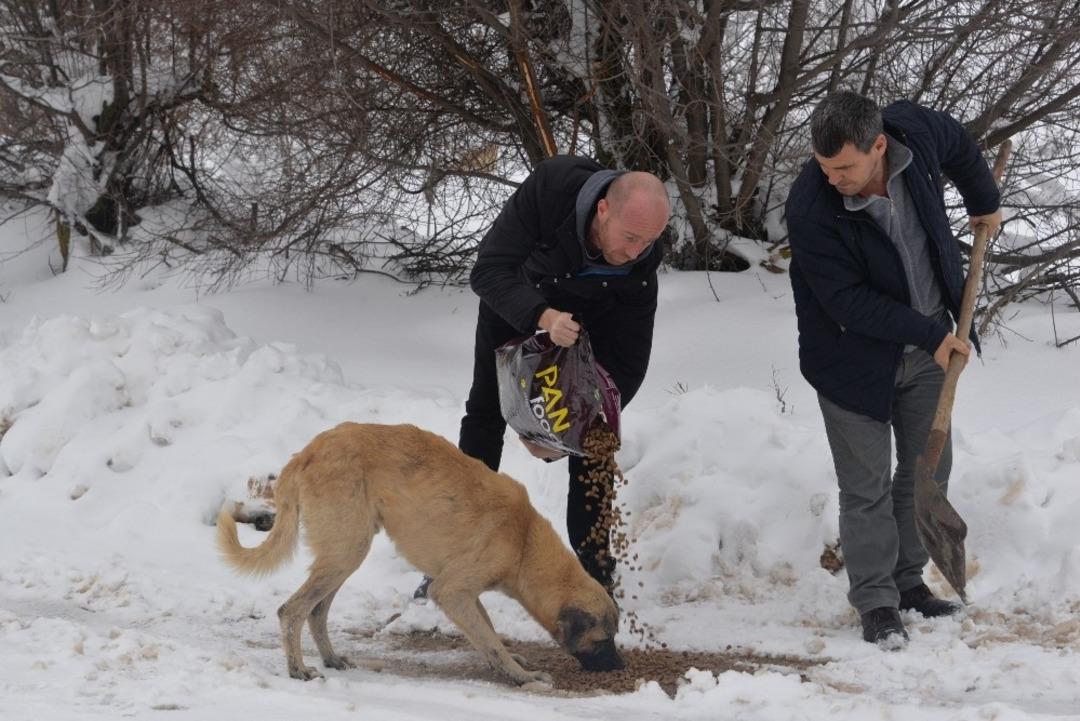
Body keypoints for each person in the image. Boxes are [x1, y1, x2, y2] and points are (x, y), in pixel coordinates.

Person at [785, 91, 1002, 646]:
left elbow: (957, 141)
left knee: (926, 473)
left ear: (879, 145)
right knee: (866, 489)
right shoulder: (811, 206)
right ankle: (877, 602)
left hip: (932, 347)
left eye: (845, 167)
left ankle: (910, 585)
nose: (833, 177)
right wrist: (932, 335)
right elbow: (847, 302)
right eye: (824, 165)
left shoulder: (914, 133)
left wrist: (984, 198)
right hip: (850, 359)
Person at [414, 155, 670, 599]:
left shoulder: (641, 260)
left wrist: (568, 428)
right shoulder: (554, 190)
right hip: (519, 300)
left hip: (594, 320)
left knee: (597, 436)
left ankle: (595, 573)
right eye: (630, 238)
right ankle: (450, 561)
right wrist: (543, 316)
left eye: (647, 242)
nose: (635, 252)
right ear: (603, 210)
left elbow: (629, 362)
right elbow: (489, 270)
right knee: (485, 416)